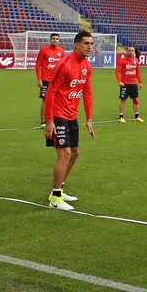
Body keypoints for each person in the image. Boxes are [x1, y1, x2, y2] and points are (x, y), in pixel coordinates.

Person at [43, 31, 96, 211]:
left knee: (75, 153)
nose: (90, 47)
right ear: (76, 45)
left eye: (91, 43)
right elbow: (51, 92)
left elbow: (87, 93)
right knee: (64, 154)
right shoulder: (65, 64)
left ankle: (60, 189)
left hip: (72, 116)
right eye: (86, 43)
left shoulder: (87, 66)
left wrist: (89, 119)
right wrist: (49, 120)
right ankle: (55, 197)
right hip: (58, 115)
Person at [35, 33, 65, 130]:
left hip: (58, 80)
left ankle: (56, 118)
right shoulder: (44, 50)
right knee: (45, 100)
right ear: (50, 40)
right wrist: (39, 79)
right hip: (46, 80)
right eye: (53, 39)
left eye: (57, 39)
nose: (55, 40)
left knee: (59, 100)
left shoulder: (61, 51)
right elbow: (38, 65)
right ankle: (43, 122)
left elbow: (64, 65)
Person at [116, 46, 144, 123]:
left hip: (134, 84)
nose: (131, 52)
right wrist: (119, 81)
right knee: (123, 100)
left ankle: (137, 117)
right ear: (126, 51)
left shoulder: (136, 60)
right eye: (129, 50)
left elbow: (137, 72)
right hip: (125, 84)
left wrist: (140, 82)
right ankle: (121, 117)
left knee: (136, 100)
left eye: (132, 50)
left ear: (134, 51)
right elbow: (117, 72)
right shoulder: (122, 61)